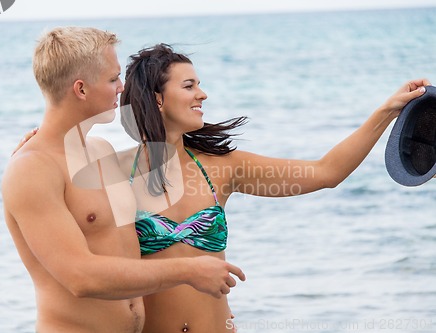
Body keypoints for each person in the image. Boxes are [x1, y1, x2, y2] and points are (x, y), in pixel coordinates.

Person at [116, 43, 431, 332]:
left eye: (199, 84)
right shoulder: (114, 173)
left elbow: (326, 172)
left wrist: (387, 111)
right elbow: (87, 272)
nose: (203, 94)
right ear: (157, 98)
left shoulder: (222, 167)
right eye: (189, 85)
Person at [2, 28, 245, 333]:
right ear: (81, 89)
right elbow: (80, 276)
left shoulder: (101, 152)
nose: (122, 87)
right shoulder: (32, 169)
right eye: (112, 79)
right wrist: (189, 270)